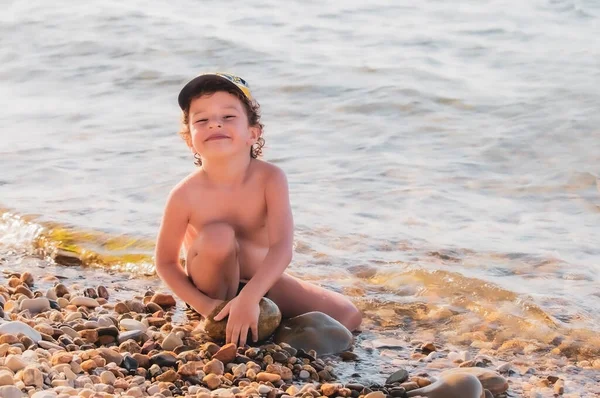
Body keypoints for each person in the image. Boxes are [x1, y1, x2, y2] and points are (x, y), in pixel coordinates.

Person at [154, 72, 362, 347]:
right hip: (212, 288)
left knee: (348, 316)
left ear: (253, 133)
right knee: (219, 235)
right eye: (202, 120)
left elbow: (282, 249)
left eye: (228, 117)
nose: (214, 123)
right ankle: (229, 316)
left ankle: (263, 318)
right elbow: (165, 262)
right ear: (190, 140)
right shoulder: (184, 194)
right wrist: (206, 306)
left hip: (260, 281)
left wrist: (250, 297)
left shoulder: (270, 179)